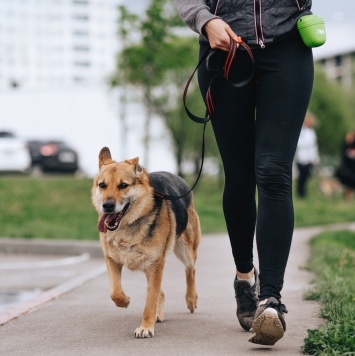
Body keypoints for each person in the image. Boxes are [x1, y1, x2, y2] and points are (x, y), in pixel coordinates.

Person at [174, 0, 314, 346]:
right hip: (224, 50)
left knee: (273, 171)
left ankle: (270, 300)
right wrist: (204, 20)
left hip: (288, 47)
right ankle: (243, 276)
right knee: (239, 176)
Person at [295, 112, 320, 198]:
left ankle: (304, 193)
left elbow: (314, 146)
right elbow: (299, 144)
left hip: (309, 158)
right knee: (301, 176)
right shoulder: (300, 131)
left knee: (306, 176)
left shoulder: (312, 132)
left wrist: (315, 158)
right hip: (301, 157)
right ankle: (300, 193)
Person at [335, 130, 355, 200]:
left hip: (353, 167)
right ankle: (347, 197)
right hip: (347, 167)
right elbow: (343, 157)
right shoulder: (345, 146)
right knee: (348, 185)